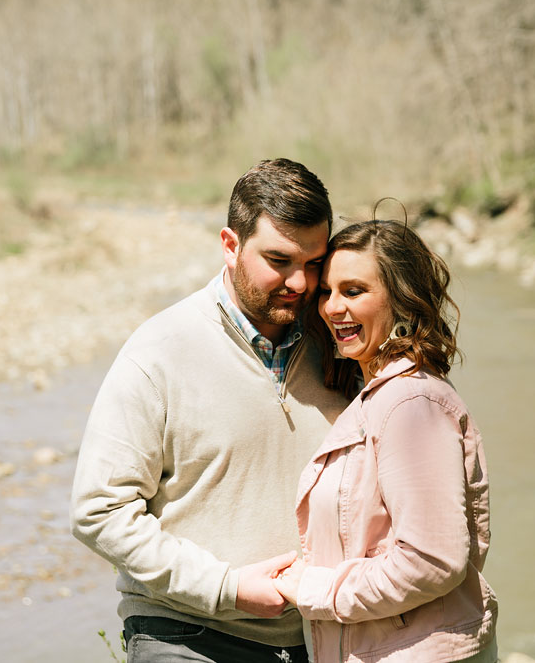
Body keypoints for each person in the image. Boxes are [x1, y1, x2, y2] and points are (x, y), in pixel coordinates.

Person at [70, 159, 351, 662]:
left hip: (322, 638)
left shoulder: (338, 345)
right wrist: (226, 587)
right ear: (230, 245)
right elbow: (100, 511)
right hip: (185, 635)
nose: (301, 282)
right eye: (279, 260)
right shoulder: (158, 352)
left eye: (313, 263)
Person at [271, 218, 498, 662]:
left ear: (401, 298)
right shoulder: (378, 396)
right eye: (326, 292)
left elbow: (433, 560)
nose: (332, 308)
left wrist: (315, 589)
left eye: (353, 291)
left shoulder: (410, 402)